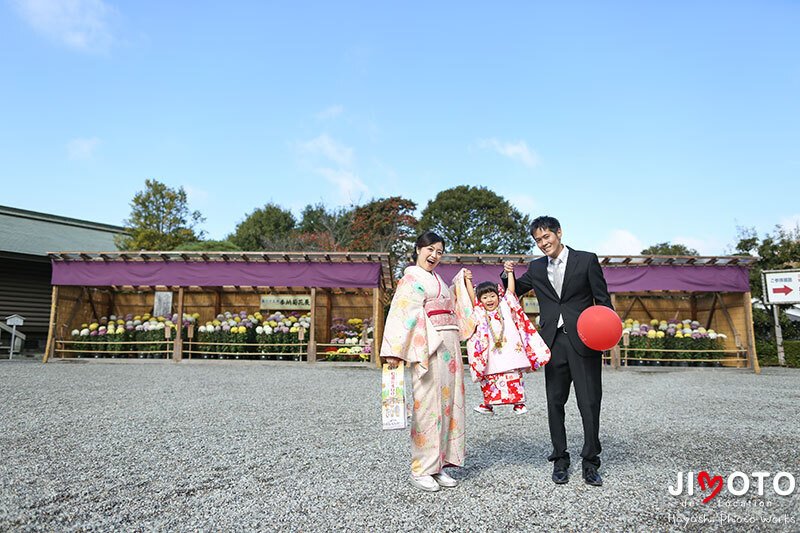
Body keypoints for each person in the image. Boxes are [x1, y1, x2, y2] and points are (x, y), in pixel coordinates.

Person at [502, 216, 612, 487]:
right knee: (554, 403)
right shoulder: (537, 267)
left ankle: (590, 462)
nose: (543, 243)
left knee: (589, 402)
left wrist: (605, 334)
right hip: (552, 344)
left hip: (584, 341)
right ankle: (560, 459)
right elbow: (511, 292)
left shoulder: (586, 260)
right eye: (538, 240)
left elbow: (604, 300)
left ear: (559, 233)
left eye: (546, 237)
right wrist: (507, 274)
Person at [380, 231, 474, 493]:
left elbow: (452, 303)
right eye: (429, 249)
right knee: (427, 405)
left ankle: (439, 464)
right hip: (429, 346)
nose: (434, 255)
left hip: (450, 346)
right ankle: (420, 468)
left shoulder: (438, 280)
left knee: (448, 404)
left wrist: (460, 284)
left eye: (439, 252)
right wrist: (395, 351)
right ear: (418, 249)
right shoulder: (411, 279)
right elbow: (402, 314)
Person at [462, 263, 551, 416]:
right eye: (485, 297)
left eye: (492, 296)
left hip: (509, 351)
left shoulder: (504, 307)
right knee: (490, 376)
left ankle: (518, 403)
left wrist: (510, 272)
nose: (489, 299)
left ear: (498, 296)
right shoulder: (480, 312)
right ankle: (488, 404)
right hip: (490, 353)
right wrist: (468, 280)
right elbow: (472, 298)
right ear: (480, 300)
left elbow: (510, 291)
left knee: (513, 375)